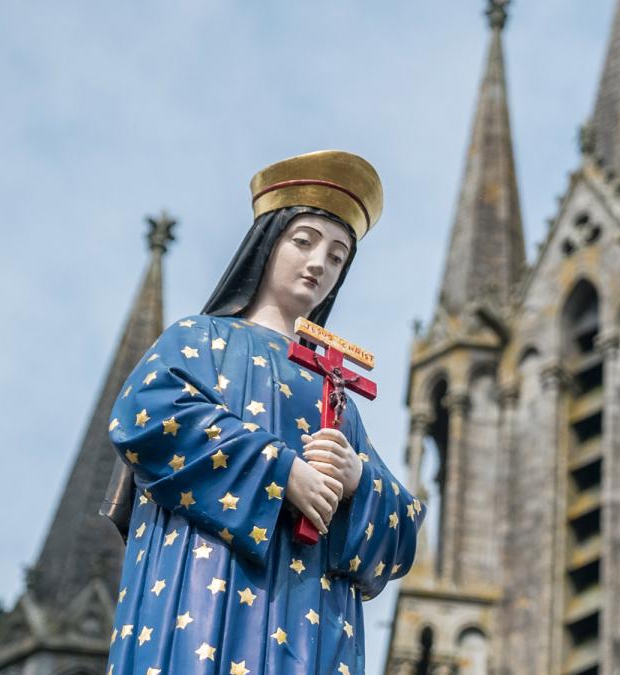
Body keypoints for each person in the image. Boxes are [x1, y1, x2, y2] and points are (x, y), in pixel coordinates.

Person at [105, 150, 424, 675]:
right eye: (304, 241)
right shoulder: (200, 338)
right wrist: (281, 472)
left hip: (310, 622)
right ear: (267, 243)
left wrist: (356, 480)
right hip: (206, 602)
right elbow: (146, 414)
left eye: (338, 256)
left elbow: (402, 533)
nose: (319, 263)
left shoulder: (333, 387)